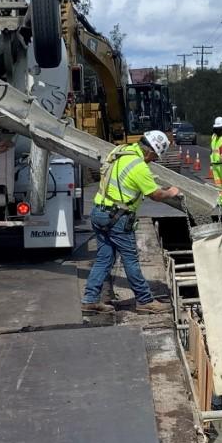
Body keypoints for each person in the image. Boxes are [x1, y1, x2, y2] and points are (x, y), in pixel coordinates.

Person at [82, 130, 182, 314]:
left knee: (105, 258)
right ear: (150, 152)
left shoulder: (120, 150)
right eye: (155, 157)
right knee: (130, 260)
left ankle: (90, 299)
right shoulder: (139, 167)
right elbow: (156, 195)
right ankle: (144, 300)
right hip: (117, 217)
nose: (153, 160)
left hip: (99, 211)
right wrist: (171, 192)